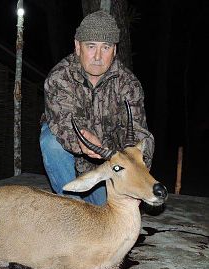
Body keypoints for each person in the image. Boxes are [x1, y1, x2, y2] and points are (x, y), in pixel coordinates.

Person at [40, 10, 154, 206]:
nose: (98, 56)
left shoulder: (128, 84)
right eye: (91, 46)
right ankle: (70, 210)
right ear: (78, 46)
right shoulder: (59, 78)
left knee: (111, 218)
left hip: (108, 169)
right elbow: (64, 122)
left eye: (106, 47)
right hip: (72, 167)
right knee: (50, 141)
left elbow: (140, 137)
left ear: (115, 50)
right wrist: (82, 140)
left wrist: (132, 170)